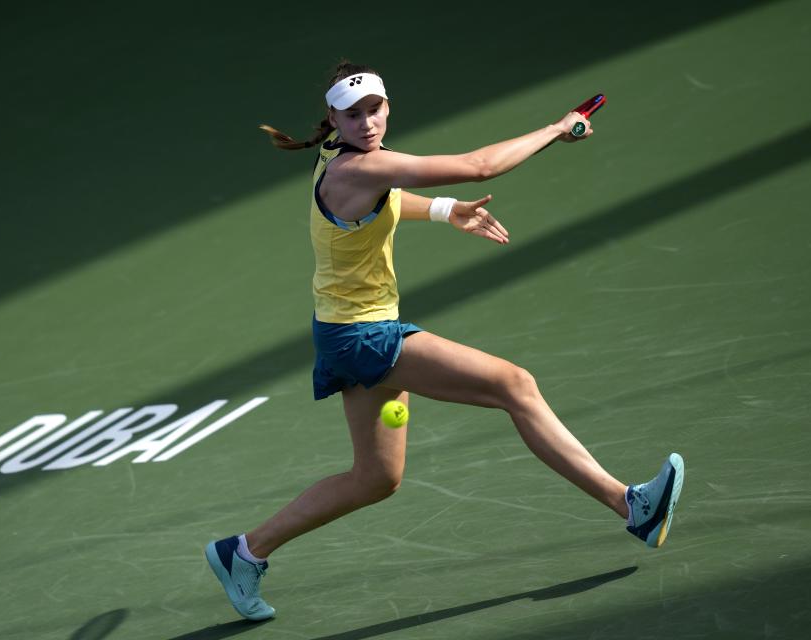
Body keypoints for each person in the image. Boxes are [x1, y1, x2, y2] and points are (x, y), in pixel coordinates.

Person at [205, 62, 684, 621]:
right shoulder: (362, 165)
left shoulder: (339, 158)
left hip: (344, 330)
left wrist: (442, 209)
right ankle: (632, 506)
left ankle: (243, 552)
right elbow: (478, 167)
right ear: (333, 117)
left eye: (375, 109)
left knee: (375, 478)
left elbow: (383, 199)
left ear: (387, 106)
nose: (367, 122)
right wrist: (557, 129)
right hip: (365, 335)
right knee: (514, 384)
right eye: (353, 114)